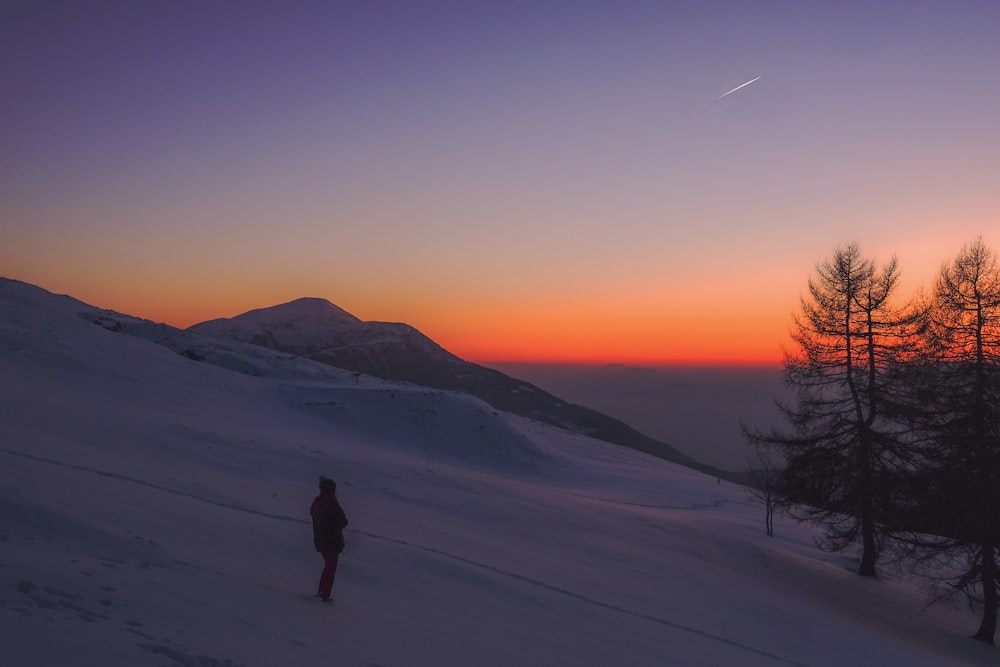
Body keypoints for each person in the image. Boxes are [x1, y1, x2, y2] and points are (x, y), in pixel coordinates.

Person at [310, 475, 348, 602]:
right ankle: (324, 594)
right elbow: (343, 522)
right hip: (331, 542)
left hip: (322, 541)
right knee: (330, 568)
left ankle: (322, 592)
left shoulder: (317, 503)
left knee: (328, 567)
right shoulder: (331, 505)